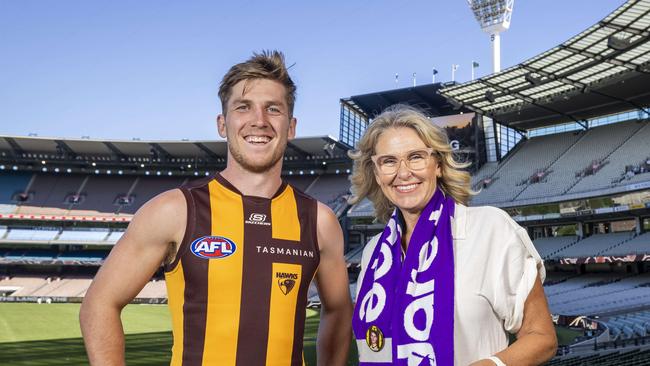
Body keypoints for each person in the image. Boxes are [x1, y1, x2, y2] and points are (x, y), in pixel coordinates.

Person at [79, 50, 352, 366]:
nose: (259, 121)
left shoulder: (320, 220)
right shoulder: (175, 210)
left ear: (291, 127)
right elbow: (99, 304)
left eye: (273, 109)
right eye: (243, 107)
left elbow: (338, 309)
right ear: (223, 124)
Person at [349, 105, 557, 366]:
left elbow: (541, 337)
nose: (403, 173)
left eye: (416, 157)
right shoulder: (374, 253)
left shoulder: (489, 228)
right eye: (389, 161)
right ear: (377, 174)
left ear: (437, 164)